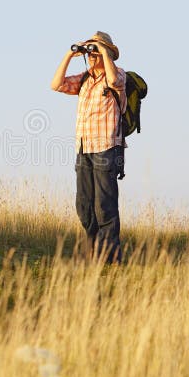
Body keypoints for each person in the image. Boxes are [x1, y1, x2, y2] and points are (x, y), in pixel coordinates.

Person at [50, 31, 127, 263]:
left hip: (106, 148)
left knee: (105, 206)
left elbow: (114, 81)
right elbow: (56, 84)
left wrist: (104, 50)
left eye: (96, 52)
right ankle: (93, 253)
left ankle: (110, 258)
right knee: (84, 205)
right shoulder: (84, 79)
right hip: (84, 149)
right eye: (90, 52)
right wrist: (70, 54)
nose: (92, 56)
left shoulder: (118, 76)